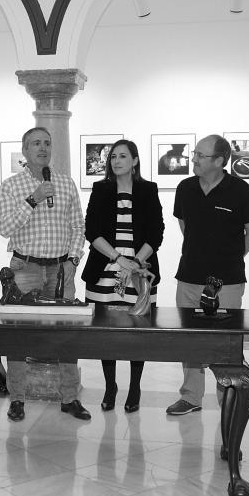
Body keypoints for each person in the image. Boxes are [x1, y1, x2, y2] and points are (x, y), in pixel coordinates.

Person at [0, 127, 88, 422]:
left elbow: (78, 226)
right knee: (18, 336)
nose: (43, 148)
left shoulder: (65, 183)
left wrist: (73, 259)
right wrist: (33, 199)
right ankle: (17, 398)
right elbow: (4, 228)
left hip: (62, 269)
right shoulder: (11, 186)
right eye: (36, 143)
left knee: (68, 335)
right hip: (26, 269)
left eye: (47, 143)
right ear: (25, 150)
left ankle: (69, 397)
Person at [166, 134, 249, 416]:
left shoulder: (241, 191)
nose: (193, 159)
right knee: (189, 340)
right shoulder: (185, 188)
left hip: (227, 281)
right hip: (189, 276)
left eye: (200, 155)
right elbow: (185, 225)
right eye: (194, 154)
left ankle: (227, 398)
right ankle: (191, 396)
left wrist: (229, 258)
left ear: (219, 161)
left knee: (225, 342)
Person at [82, 139, 164, 413]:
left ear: (135, 160)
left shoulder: (148, 190)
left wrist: (136, 262)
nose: (116, 161)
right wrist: (118, 259)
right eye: (113, 157)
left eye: (123, 156)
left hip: (140, 270)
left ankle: (135, 387)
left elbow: (157, 232)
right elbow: (91, 231)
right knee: (106, 333)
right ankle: (110, 386)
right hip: (105, 269)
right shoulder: (101, 189)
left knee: (138, 331)